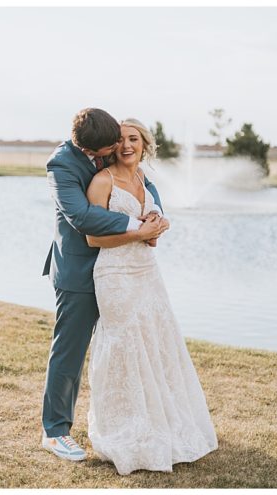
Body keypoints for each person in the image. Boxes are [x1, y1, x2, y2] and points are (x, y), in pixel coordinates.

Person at [84, 118, 217, 474]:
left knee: (156, 340)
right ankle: (124, 425)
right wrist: (139, 232)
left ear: (144, 144)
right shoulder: (102, 180)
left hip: (147, 271)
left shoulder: (146, 179)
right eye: (121, 140)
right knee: (123, 343)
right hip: (114, 273)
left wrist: (156, 226)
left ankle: (160, 419)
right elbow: (93, 239)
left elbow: (152, 227)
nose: (127, 145)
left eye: (133, 139)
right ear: (112, 146)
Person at [40, 108, 169, 460]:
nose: (116, 149)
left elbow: (140, 178)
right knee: (69, 352)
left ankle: (136, 421)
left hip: (124, 269)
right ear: (90, 149)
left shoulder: (108, 137)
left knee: (130, 346)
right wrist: (136, 226)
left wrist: (155, 212)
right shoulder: (61, 165)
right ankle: (55, 431)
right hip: (80, 270)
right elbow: (80, 216)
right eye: (107, 150)